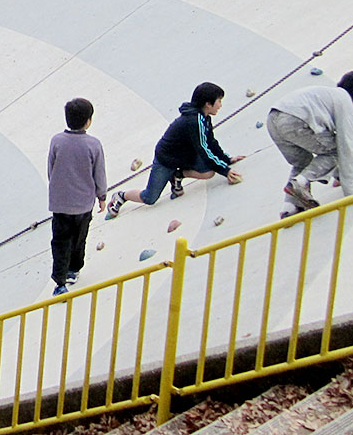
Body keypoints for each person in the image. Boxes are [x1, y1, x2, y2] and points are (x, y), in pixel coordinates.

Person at [105, 82, 244, 220]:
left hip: (185, 156)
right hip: (167, 159)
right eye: (219, 101)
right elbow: (204, 150)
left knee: (209, 172)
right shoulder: (194, 121)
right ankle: (121, 196)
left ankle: (177, 175)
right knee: (149, 198)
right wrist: (226, 171)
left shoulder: (204, 118)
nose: (220, 105)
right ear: (208, 104)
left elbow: (211, 142)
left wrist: (227, 160)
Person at [268, 70, 353, 219]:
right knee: (335, 150)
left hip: (273, 118)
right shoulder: (345, 101)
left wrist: (339, 176)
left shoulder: (325, 94)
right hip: (297, 120)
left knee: (302, 162)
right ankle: (301, 182)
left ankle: (290, 207)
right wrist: (351, 190)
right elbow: (346, 147)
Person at [47, 98, 107, 296]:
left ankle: (60, 281)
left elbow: (51, 169)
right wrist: (102, 195)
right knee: (80, 237)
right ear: (88, 121)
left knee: (60, 240)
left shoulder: (56, 141)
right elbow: (99, 172)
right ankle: (74, 269)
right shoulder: (94, 145)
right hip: (83, 204)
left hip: (61, 203)